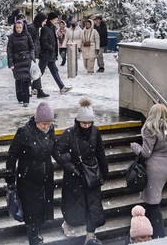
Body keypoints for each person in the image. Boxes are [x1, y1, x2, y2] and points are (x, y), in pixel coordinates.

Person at [55, 99, 109, 242]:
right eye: (84, 123)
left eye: (89, 123)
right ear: (78, 121)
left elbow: (100, 152)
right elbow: (58, 151)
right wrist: (70, 166)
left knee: (93, 203)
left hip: (91, 174)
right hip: (75, 175)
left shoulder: (95, 132)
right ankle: (67, 223)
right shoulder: (69, 133)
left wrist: (104, 171)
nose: (86, 126)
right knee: (73, 203)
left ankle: (90, 232)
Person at [5, 102, 58, 245]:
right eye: (43, 124)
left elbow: (54, 150)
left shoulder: (50, 131)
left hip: (45, 177)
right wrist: (10, 178)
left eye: (49, 124)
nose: (46, 127)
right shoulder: (24, 132)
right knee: (31, 209)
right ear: (36, 121)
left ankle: (36, 230)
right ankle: (33, 236)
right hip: (28, 178)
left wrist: (68, 164)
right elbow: (12, 156)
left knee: (42, 207)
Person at [130, 103, 167, 239]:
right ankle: (147, 231)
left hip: (154, 168)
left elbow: (145, 153)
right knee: (154, 199)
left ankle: (158, 235)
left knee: (153, 202)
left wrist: (135, 146)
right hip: (166, 166)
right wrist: (165, 157)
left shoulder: (150, 129)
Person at [40, 12, 73, 94]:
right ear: (51, 19)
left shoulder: (52, 28)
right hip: (46, 54)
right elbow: (43, 42)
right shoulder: (46, 28)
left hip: (51, 55)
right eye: (55, 19)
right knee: (39, 72)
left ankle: (62, 87)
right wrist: (51, 48)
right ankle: (32, 87)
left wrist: (54, 51)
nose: (56, 21)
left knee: (54, 71)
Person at [7, 19, 35, 107]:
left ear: (23, 27)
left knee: (26, 81)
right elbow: (9, 51)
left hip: (26, 60)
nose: (18, 29)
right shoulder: (12, 37)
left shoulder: (27, 35)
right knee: (18, 80)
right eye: (17, 27)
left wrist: (31, 56)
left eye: (20, 27)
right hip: (16, 61)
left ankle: (26, 99)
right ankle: (20, 97)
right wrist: (11, 63)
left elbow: (32, 47)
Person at [28, 13, 50, 98]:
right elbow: (30, 42)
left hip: (35, 54)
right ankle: (35, 90)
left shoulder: (36, 28)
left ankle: (38, 90)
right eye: (44, 21)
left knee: (36, 72)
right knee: (34, 72)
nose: (45, 23)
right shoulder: (32, 28)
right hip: (32, 54)